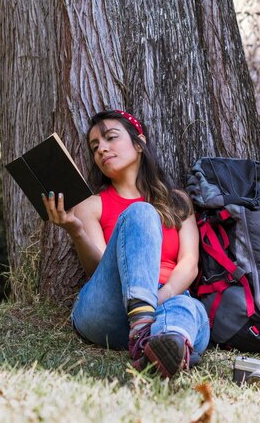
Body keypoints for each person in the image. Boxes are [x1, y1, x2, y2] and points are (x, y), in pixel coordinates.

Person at [42, 109, 209, 378]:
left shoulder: (177, 200)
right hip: (109, 309)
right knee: (141, 212)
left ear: (139, 143)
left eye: (110, 138)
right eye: (95, 146)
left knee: (188, 307)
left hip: (168, 300)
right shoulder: (91, 205)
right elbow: (97, 271)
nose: (101, 149)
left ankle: (167, 347)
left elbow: (188, 265)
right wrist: (76, 232)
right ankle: (148, 331)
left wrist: (158, 300)